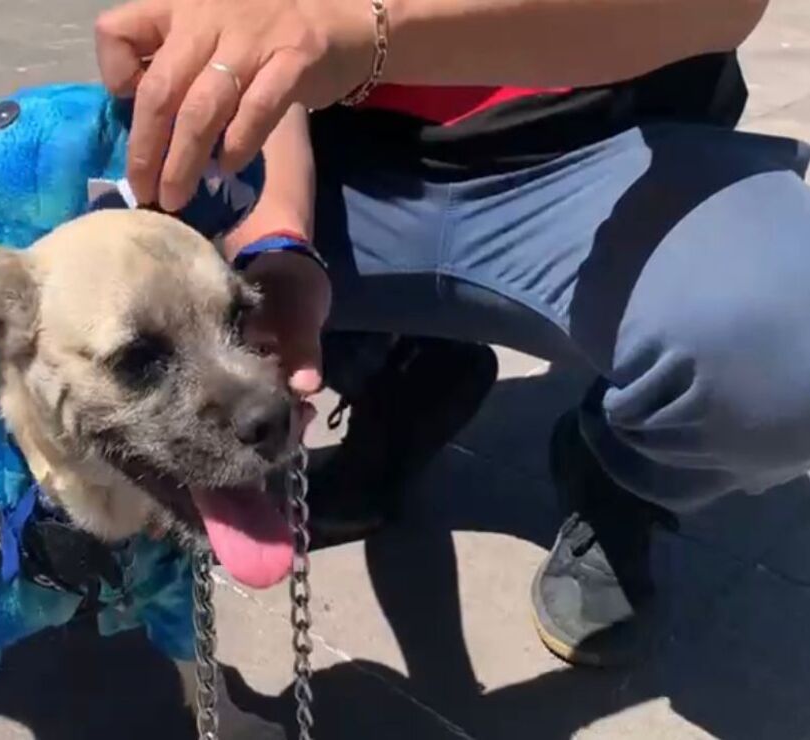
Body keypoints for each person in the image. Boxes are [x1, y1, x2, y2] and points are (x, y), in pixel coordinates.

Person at [93, 0, 810, 668]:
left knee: (779, 355)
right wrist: (277, 232)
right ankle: (404, 384)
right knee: (101, 216)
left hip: (608, 157)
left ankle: (617, 474)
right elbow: (253, 37)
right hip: (350, 167)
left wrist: (362, 35)